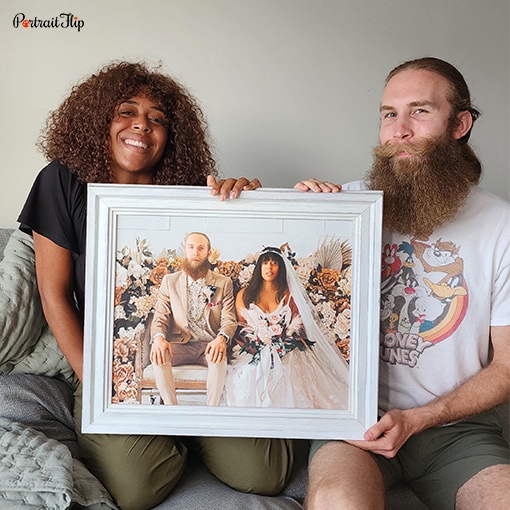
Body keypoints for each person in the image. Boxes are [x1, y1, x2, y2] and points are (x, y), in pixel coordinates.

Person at [16, 61, 293, 510]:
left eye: (158, 119)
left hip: (203, 353)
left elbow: (232, 275)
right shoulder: (62, 180)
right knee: (139, 487)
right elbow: (54, 295)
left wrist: (244, 204)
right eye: (127, 111)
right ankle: (176, 435)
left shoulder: (192, 192)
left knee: (266, 474)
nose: (142, 124)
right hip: (108, 360)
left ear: (171, 137)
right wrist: (104, 383)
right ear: (99, 121)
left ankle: (190, 427)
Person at [295, 57, 510, 510]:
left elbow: (507, 368)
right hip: (355, 425)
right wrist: (300, 219)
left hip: (456, 432)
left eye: (421, 111)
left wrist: (420, 418)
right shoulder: (345, 207)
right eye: (389, 114)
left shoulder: (501, 225)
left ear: (460, 123)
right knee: (338, 501)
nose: (400, 130)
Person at [223, 246, 349, 409]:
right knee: (248, 373)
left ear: (281, 268)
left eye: (274, 263)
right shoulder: (244, 295)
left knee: (288, 374)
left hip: (287, 350)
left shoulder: (290, 294)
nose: (269, 267)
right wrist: (258, 347)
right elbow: (241, 329)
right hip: (253, 350)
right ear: (259, 267)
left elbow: (298, 326)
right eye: (265, 263)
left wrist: (282, 344)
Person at [150, 231, 236, 406]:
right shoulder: (170, 281)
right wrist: (158, 338)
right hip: (180, 345)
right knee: (158, 354)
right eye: (191, 248)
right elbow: (160, 316)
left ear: (209, 253)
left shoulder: (223, 283)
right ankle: (171, 409)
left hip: (209, 345)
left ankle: (210, 413)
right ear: (185, 251)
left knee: (218, 357)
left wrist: (221, 339)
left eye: (201, 248)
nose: (195, 252)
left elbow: (229, 318)